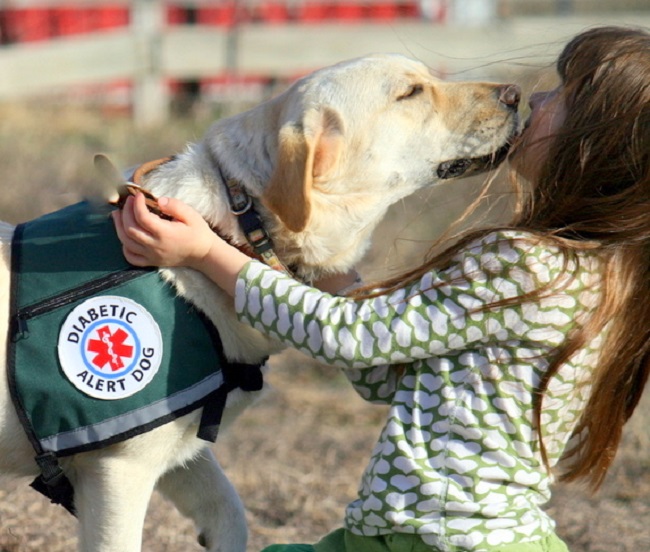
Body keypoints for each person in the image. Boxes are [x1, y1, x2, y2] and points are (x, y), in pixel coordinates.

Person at [113, 26, 650, 552]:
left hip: (440, 540)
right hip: (431, 537)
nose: (532, 96)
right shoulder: (592, 274)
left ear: (592, 147)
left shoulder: (523, 265)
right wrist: (324, 267)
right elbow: (389, 373)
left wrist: (208, 254)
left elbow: (352, 338)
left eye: (560, 96)